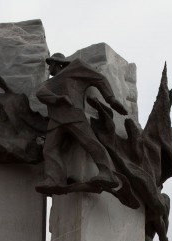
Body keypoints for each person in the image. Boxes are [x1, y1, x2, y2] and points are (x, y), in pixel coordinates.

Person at [35, 53, 128, 196]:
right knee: (49, 149)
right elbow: (40, 94)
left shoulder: (76, 67)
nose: (49, 67)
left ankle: (107, 173)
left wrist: (111, 99)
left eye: (51, 63)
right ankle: (55, 179)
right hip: (56, 120)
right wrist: (58, 99)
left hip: (73, 114)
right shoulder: (49, 83)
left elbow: (99, 78)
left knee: (89, 142)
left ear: (59, 63)